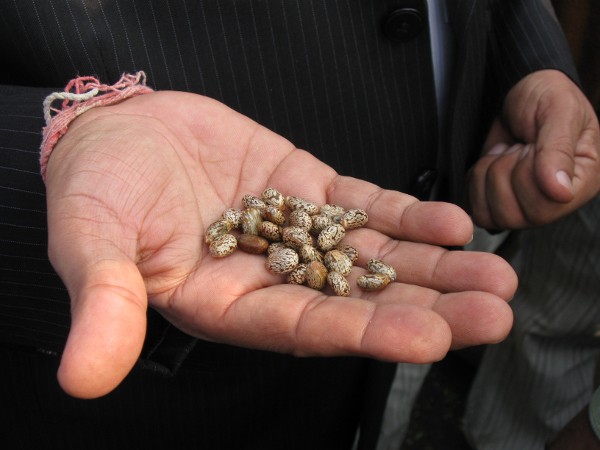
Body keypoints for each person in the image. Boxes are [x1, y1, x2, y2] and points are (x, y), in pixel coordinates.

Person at [0, 1, 597, 449]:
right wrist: (58, 137)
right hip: (149, 396)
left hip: (383, 288)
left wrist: (528, 58)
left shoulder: (327, 244)